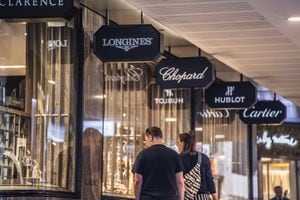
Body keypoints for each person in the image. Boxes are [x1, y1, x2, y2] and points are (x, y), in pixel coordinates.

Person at [132, 126, 184, 200]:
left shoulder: (143, 155)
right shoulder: (174, 155)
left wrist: (137, 198)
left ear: (150, 137)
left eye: (146, 139)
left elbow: (137, 181)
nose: (146, 142)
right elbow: (180, 182)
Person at [178, 132, 217, 200]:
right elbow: (209, 179)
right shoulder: (204, 158)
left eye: (178, 142)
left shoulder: (177, 159)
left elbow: (178, 181)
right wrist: (215, 197)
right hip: (202, 196)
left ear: (183, 143)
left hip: (184, 196)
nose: (177, 145)